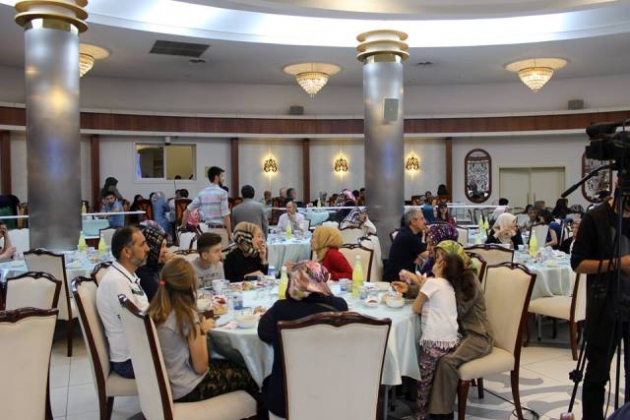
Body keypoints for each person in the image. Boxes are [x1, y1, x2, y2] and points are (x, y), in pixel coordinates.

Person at [147, 258, 258, 402]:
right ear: (191, 284)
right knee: (250, 374)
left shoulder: (155, 309)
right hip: (187, 386)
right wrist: (202, 331)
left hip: (167, 381)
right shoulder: (185, 315)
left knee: (229, 363)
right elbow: (201, 367)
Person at [258, 261, 348, 418]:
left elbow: (263, 333)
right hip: (331, 393)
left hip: (286, 400)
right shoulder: (339, 306)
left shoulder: (281, 309)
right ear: (321, 279)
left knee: (266, 384)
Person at [571, 192, 630, 420]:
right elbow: (578, 263)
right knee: (597, 374)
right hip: (604, 306)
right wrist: (618, 264)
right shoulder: (596, 217)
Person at [425, 240, 493, 419]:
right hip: (457, 334)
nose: (439, 262)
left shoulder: (468, 280)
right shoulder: (449, 279)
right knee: (427, 351)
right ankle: (421, 403)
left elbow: (453, 309)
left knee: (446, 362)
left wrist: (436, 280)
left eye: (443, 257)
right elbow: (432, 293)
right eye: (437, 257)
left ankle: (443, 415)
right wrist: (410, 288)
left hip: (477, 336)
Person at [399, 252, 459, 420]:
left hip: (434, 341)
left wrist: (422, 285)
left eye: (437, 259)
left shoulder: (432, 282)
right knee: (432, 379)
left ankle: (420, 415)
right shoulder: (449, 286)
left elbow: (416, 308)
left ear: (441, 265)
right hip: (451, 341)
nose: (433, 261)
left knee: (424, 381)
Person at [96, 226, 150, 378]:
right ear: (127, 252)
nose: (147, 249)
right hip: (130, 360)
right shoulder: (117, 282)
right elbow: (136, 323)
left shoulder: (127, 276)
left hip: (139, 352)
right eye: (142, 244)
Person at [392, 223, 459, 295]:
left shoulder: (451, 268)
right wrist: (408, 289)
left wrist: (414, 278)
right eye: (427, 243)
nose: (427, 248)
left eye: (432, 244)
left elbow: (436, 292)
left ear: (445, 245)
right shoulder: (431, 261)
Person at [181, 166, 231, 242]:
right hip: (221, 231)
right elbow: (226, 216)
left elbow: (187, 211)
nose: (223, 178)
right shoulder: (222, 193)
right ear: (216, 177)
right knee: (222, 250)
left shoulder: (202, 193)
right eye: (221, 176)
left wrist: (183, 226)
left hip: (209, 231)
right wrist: (229, 234)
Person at [384, 208, 428, 282]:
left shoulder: (406, 231)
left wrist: (420, 256)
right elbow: (429, 255)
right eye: (422, 219)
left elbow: (422, 252)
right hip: (396, 281)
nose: (425, 222)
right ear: (413, 221)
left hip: (400, 276)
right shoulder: (409, 236)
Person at [137, 225, 173, 301]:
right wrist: (171, 268)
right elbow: (159, 297)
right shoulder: (142, 272)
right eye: (162, 246)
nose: (166, 250)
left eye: (166, 246)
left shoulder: (159, 266)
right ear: (152, 247)